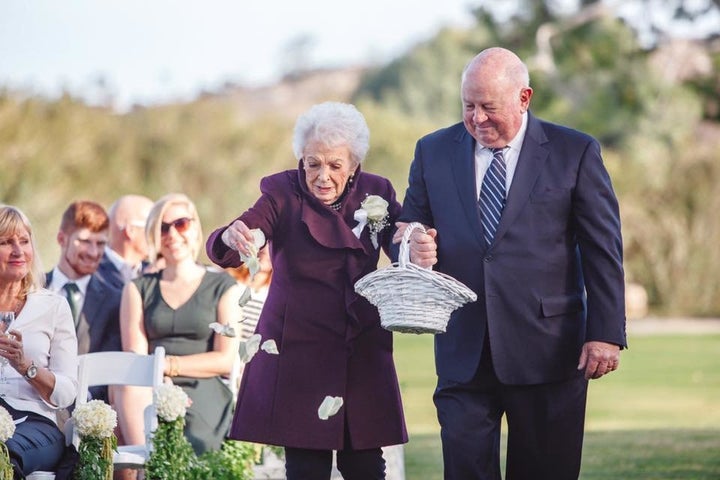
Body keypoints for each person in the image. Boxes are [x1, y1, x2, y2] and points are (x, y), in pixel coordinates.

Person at [394, 47, 627, 479]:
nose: (477, 119)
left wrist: (606, 333)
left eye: (489, 107)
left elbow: (602, 249)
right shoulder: (433, 150)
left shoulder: (573, 152)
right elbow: (409, 228)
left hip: (550, 350)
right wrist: (412, 246)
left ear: (524, 98)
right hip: (463, 350)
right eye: (468, 106)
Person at [206, 101, 408, 480]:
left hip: (359, 343)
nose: (322, 176)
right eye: (312, 163)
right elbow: (250, 229)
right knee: (306, 467)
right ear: (301, 159)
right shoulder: (281, 191)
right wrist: (236, 235)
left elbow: (400, 247)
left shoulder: (376, 191)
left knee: (365, 465)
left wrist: (415, 246)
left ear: (353, 164)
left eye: (334, 165)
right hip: (298, 347)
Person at [115, 193, 242, 457]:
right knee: (131, 397)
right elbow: (136, 358)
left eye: (181, 223)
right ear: (154, 235)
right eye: (163, 227)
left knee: (191, 445)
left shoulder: (223, 287)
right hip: (150, 386)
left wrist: (169, 365)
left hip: (204, 388)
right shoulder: (137, 289)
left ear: (195, 227)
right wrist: (159, 376)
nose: (172, 233)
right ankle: (146, 470)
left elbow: (226, 359)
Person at [0, 205, 78, 478]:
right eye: (6, 242)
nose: (18, 251)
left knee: (4, 453)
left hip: (34, 422)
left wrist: (26, 367)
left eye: (24, 241)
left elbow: (68, 391)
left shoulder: (53, 307)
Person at [45, 201, 122, 363]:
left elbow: (110, 367)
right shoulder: (32, 289)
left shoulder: (114, 301)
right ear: (61, 239)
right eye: (85, 241)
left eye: (101, 243)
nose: (94, 253)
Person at [97, 194, 154, 289]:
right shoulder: (91, 273)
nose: (159, 235)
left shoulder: (154, 272)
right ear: (131, 230)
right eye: (153, 227)